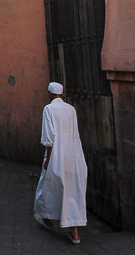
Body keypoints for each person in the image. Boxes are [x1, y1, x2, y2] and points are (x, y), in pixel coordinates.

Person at [34, 82, 87, 244]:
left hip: (56, 156)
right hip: (74, 155)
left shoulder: (48, 110)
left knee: (47, 187)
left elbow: (49, 139)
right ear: (62, 95)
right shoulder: (71, 109)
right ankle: (74, 232)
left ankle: (46, 216)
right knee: (73, 192)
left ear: (50, 94)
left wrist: (48, 160)